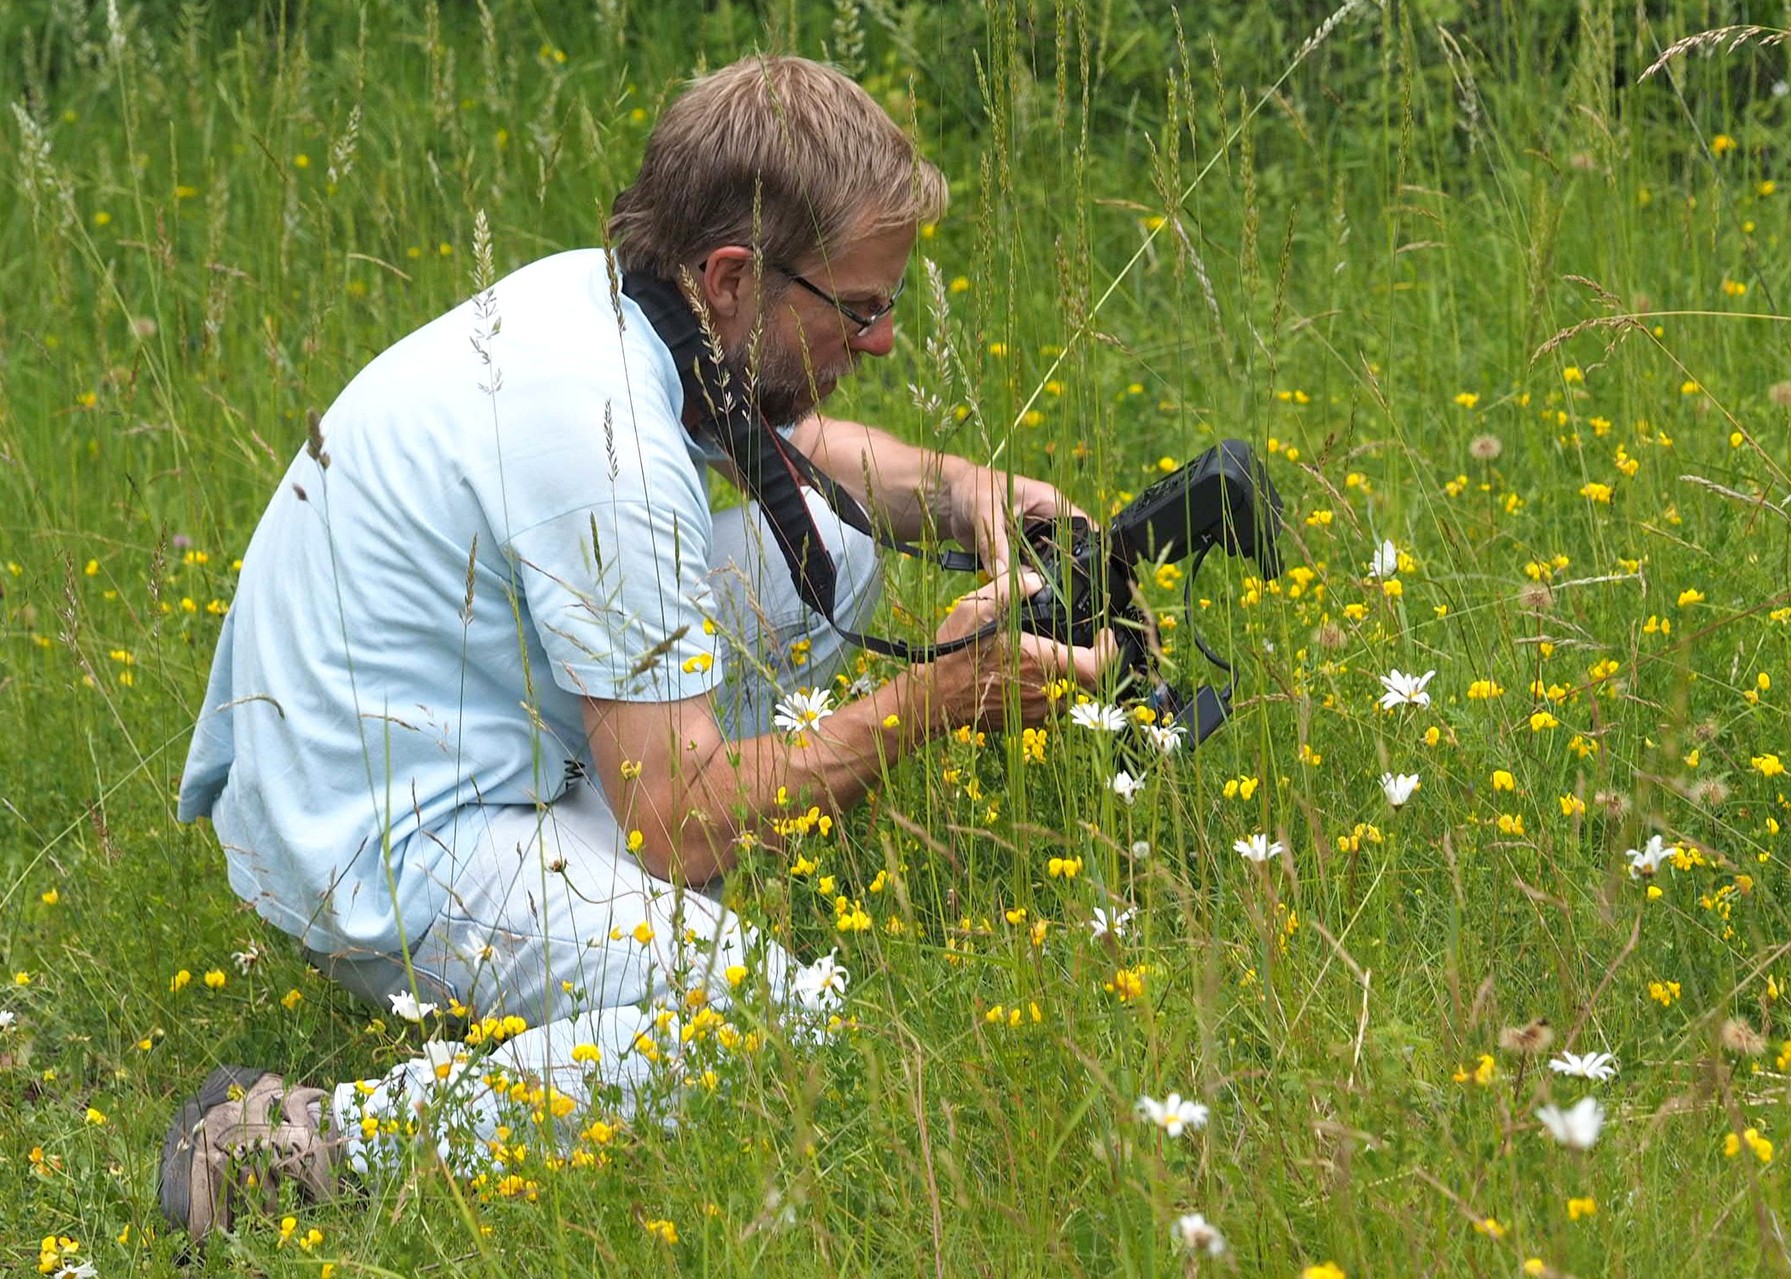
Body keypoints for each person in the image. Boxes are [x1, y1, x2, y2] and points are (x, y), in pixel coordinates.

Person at [160, 53, 1112, 1239]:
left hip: (444, 725)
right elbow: (679, 821)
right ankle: (290, 1147)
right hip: (386, 843)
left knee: (840, 547)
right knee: (769, 1017)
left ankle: (605, 890)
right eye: (860, 311)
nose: (877, 344)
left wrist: (982, 496)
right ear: (731, 277)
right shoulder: (606, 446)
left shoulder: (610, 298)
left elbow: (810, 455)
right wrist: (937, 699)